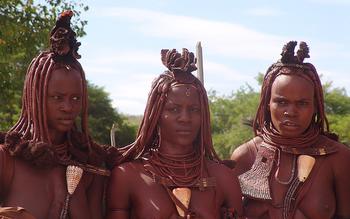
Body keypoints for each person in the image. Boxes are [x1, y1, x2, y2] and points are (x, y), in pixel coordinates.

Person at [107, 48, 243, 219]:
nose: (185, 118)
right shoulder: (128, 176)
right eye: (173, 109)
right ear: (155, 115)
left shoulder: (223, 177)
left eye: (194, 110)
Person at [0, 11, 110, 219]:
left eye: (76, 98)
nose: (68, 107)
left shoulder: (90, 167)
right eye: (57, 98)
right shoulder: (7, 159)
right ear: (36, 97)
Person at [231, 41, 350, 219]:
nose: (291, 112)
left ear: (315, 107)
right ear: (267, 104)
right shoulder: (245, 156)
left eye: (302, 103)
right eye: (281, 102)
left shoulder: (337, 157)